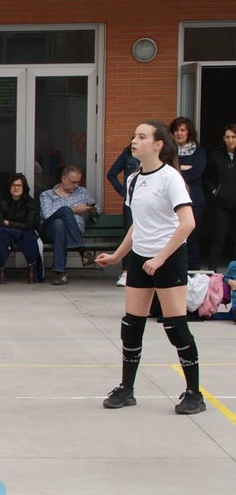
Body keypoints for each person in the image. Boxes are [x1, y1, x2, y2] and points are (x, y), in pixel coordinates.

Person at [95, 120, 204, 415]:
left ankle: (194, 393)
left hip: (168, 259)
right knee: (131, 325)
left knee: (175, 327)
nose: (135, 141)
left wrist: (160, 258)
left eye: (142, 137)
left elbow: (187, 224)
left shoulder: (171, 178)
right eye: (134, 136)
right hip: (142, 259)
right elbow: (137, 226)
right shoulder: (133, 179)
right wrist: (118, 256)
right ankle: (126, 389)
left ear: (157, 145)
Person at [39, 165, 98, 285]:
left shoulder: (82, 192)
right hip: (49, 231)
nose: (76, 185)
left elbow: (97, 208)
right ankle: (82, 251)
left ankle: (60, 273)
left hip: (64, 231)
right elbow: (47, 215)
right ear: (64, 179)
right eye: (73, 182)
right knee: (64, 212)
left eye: (78, 182)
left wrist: (92, 210)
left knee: (60, 225)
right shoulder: (47, 195)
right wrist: (74, 210)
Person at [0, 173, 42, 284]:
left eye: (19, 185)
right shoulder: (2, 202)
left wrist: (9, 223)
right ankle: (1, 270)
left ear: (24, 187)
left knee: (29, 238)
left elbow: (30, 224)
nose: (16, 188)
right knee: (0, 238)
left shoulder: (30, 203)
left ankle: (31, 270)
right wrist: (15, 225)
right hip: (6, 231)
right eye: (13, 185)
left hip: (24, 231)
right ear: (9, 187)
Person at [170, 116, 206, 269]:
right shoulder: (169, 152)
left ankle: (193, 271)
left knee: (192, 237)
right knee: (174, 236)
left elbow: (197, 172)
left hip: (195, 200)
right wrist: (182, 169)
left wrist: (177, 172)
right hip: (173, 201)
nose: (179, 133)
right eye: (176, 130)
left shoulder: (199, 152)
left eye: (183, 130)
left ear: (189, 132)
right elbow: (166, 172)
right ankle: (177, 269)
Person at [107, 141, 142, 287]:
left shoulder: (159, 157)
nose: (136, 141)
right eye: (136, 137)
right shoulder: (128, 155)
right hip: (131, 202)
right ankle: (126, 272)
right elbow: (111, 174)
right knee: (130, 234)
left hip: (150, 201)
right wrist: (123, 191)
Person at [205, 124, 236, 270]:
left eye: (234, 137)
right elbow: (207, 176)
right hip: (221, 203)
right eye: (228, 137)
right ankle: (212, 271)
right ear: (223, 139)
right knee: (219, 238)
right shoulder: (216, 155)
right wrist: (214, 190)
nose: (231, 140)